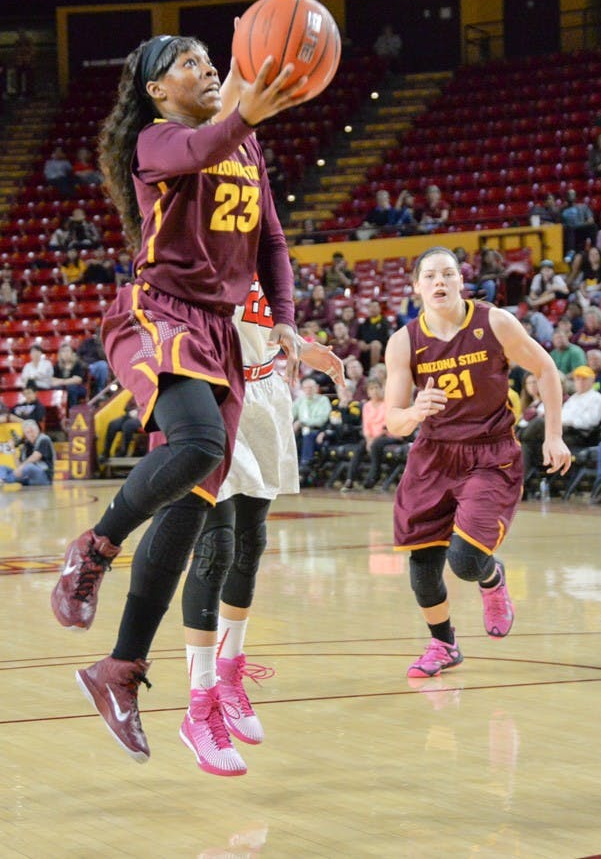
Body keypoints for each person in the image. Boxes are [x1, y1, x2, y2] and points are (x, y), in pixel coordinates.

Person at [50, 33, 305, 756]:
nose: (208, 69)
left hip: (220, 332)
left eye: (209, 59)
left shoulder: (246, 149)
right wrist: (246, 115)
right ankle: (95, 548)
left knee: (190, 508)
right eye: (189, 63)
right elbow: (201, 150)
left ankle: (120, 668)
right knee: (200, 444)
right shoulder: (157, 141)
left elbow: (272, 246)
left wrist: (283, 323)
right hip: (156, 313)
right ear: (158, 90)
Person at [76, 277, 344, 773]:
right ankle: (199, 708)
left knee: (249, 544)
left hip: (266, 390)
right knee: (215, 545)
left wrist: (302, 347)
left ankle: (228, 674)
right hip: (213, 391)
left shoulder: (257, 237)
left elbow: (254, 322)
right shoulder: (196, 241)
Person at [384, 246, 571, 678]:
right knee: (422, 567)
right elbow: (392, 420)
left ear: (460, 281)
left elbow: (544, 370)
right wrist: (414, 412)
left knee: (466, 561)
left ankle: (492, 578)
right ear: (416, 287)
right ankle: (443, 645)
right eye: (429, 276)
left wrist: (554, 435)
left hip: (489, 453)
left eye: (448, 274)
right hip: (432, 455)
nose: (439, 283)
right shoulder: (404, 342)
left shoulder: (494, 322)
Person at [0, 419, 54, 486]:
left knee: (29, 467)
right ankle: (2, 480)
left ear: (38, 430)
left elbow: (36, 456)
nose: (31, 434)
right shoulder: (26, 445)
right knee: (2, 468)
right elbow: (18, 466)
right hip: (27, 478)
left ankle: (5, 480)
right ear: (25, 434)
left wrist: (21, 467)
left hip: (43, 477)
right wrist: (13, 450)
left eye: (33, 431)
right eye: (28, 432)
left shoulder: (44, 439)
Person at [99, 396, 141, 461]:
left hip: (142, 418)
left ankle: (123, 451)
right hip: (130, 415)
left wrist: (139, 410)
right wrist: (132, 409)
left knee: (128, 425)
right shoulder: (135, 395)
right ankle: (106, 452)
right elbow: (126, 407)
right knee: (113, 424)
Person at [77, 324, 110, 396]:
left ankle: (101, 391)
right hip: (86, 367)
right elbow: (77, 356)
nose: (99, 335)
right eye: (98, 333)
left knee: (103, 365)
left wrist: (100, 345)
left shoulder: (105, 344)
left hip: (100, 368)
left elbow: (106, 358)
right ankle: (99, 391)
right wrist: (84, 364)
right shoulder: (87, 342)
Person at [357, 299, 390, 371]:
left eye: (375, 307)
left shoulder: (385, 322)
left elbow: (386, 338)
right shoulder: (364, 323)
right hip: (366, 347)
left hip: (382, 348)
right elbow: (359, 337)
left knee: (375, 344)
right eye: (370, 307)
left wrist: (370, 345)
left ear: (379, 309)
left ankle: (373, 371)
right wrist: (361, 342)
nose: (372, 309)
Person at [52, 341, 88, 407]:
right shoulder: (57, 365)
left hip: (78, 388)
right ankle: (59, 410)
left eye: (68, 351)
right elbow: (52, 379)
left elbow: (78, 380)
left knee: (71, 388)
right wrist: (67, 381)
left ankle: (72, 411)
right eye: (63, 351)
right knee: (56, 388)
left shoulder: (77, 364)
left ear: (72, 353)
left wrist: (62, 381)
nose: (66, 353)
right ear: (60, 354)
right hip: (63, 387)